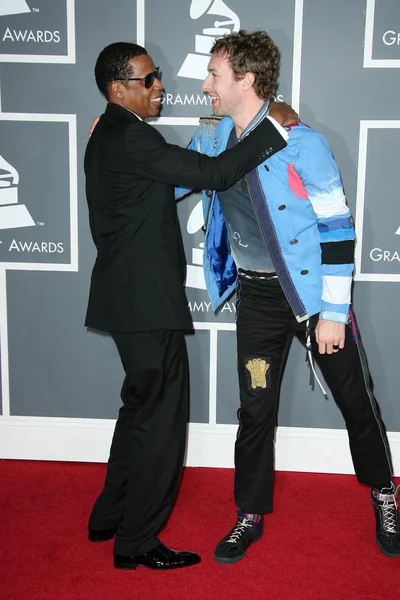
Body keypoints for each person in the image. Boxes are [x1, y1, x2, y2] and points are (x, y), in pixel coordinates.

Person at [177, 30, 400, 564]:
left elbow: (338, 228)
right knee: (255, 409)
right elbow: (169, 176)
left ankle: (386, 495)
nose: (205, 84)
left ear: (246, 80)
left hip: (311, 296)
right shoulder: (211, 139)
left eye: (214, 74)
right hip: (256, 299)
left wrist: (330, 312)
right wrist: (120, 136)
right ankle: (249, 514)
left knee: (356, 401)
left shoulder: (303, 142)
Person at [84, 41, 297, 571]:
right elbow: (216, 175)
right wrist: (272, 128)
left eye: (157, 76)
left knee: (138, 407)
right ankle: (136, 541)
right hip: (145, 306)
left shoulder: (107, 134)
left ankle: (107, 516)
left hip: (124, 299)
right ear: (118, 89)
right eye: (148, 79)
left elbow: (177, 177)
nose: (160, 86)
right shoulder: (133, 136)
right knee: (160, 422)